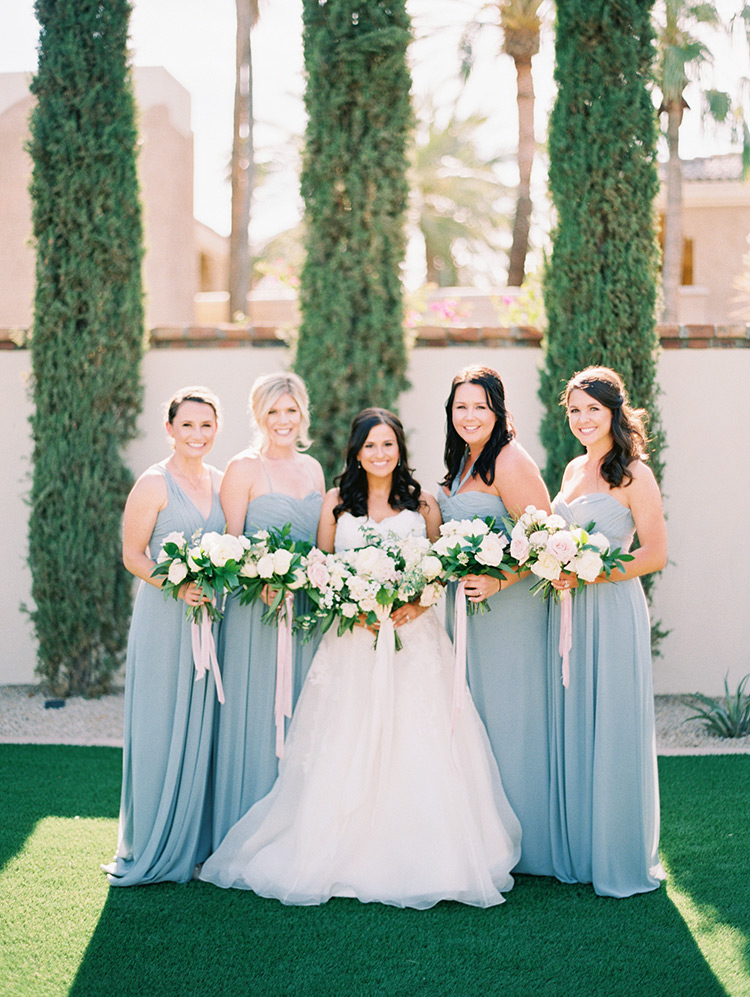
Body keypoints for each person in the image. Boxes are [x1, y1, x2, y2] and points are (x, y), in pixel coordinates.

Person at [200, 408, 521, 908]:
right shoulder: (335, 503)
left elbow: (438, 569)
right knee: (345, 739)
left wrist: (414, 605)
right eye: (370, 445)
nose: (379, 453)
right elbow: (324, 570)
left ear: (400, 450)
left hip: (416, 641)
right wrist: (353, 607)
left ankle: (428, 854)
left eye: (388, 444)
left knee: (421, 741)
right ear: (355, 451)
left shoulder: (424, 504)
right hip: (353, 641)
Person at [547, 366, 667, 898]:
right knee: (576, 720)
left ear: (615, 412)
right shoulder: (572, 468)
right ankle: (581, 847)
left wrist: (594, 569)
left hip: (613, 609)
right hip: (568, 612)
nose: (582, 419)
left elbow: (655, 554)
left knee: (613, 723)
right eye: (574, 410)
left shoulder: (635, 473)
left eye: (592, 408)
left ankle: (618, 854)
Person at [104, 386, 224, 886]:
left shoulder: (222, 482)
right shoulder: (153, 484)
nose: (197, 434)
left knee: (203, 725)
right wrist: (177, 585)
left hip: (214, 621)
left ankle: (195, 842)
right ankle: (153, 842)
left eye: (206, 425)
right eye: (188, 425)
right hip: (164, 619)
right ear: (170, 428)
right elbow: (134, 556)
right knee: (160, 722)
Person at [438, 365, 554, 876]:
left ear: (498, 411)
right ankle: (486, 836)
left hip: (506, 609)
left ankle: (530, 842)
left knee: (511, 716)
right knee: (477, 718)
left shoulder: (508, 459)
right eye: (461, 406)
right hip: (466, 613)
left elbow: (546, 540)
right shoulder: (463, 459)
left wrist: (499, 581)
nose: (469, 416)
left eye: (480, 407)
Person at [211, 372, 325, 848]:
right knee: (256, 710)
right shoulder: (244, 467)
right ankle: (240, 827)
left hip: (305, 612)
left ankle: (295, 833)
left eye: (291, 410)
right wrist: (260, 578)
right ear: (259, 415)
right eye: (273, 411)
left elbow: (323, 543)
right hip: (254, 611)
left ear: (303, 415)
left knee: (305, 711)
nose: (283, 420)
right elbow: (228, 544)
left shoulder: (314, 468)